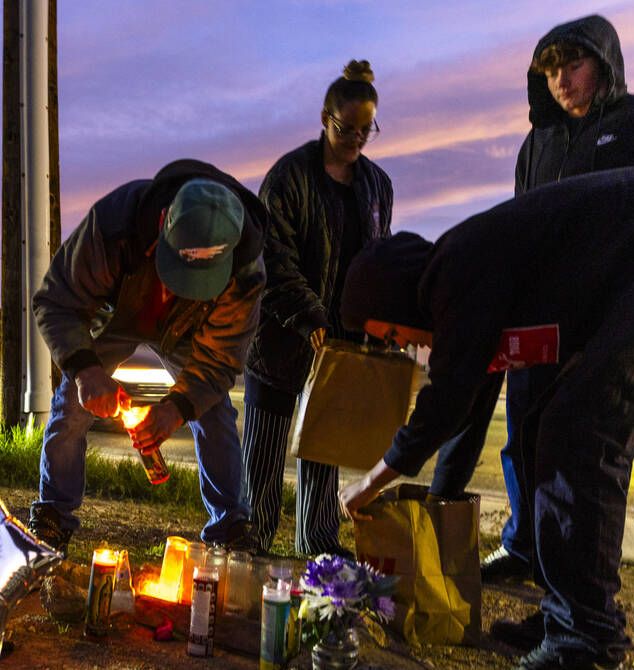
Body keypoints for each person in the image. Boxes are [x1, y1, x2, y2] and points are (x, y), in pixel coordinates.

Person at [336, 166, 634, 670]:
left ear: (395, 301)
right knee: (544, 426)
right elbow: (467, 409)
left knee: (583, 429)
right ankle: (565, 617)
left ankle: (586, 658)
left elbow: (444, 404)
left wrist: (370, 484)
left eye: (393, 335)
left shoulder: (454, 269)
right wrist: (436, 506)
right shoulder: (467, 282)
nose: (403, 347)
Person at [427, 14, 634, 592]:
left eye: (574, 64)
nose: (562, 79)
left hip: (614, 321)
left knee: (582, 453)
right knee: (523, 439)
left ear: (606, 65)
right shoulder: (536, 145)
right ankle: (525, 548)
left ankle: (573, 590)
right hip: (540, 323)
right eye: (551, 69)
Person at [29, 159, 267, 553]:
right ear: (162, 225)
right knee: (72, 402)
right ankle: (53, 516)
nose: (187, 289)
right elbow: (57, 302)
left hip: (188, 330)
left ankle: (231, 528)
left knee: (215, 411)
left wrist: (175, 408)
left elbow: (221, 359)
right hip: (120, 315)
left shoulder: (245, 272)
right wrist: (88, 371)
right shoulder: (113, 226)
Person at [241, 59, 392, 556]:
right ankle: (253, 541)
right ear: (324, 117)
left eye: (365, 130)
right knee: (263, 450)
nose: (355, 139)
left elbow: (378, 256)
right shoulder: (288, 177)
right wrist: (311, 317)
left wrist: (371, 322)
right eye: (345, 128)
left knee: (324, 447)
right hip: (283, 336)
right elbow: (273, 260)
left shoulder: (377, 186)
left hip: (342, 342)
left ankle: (318, 544)